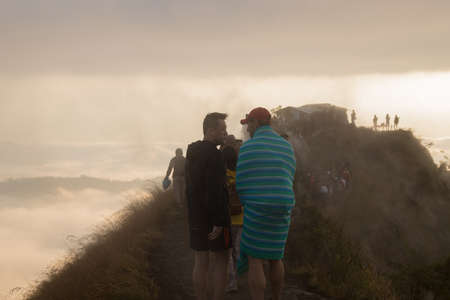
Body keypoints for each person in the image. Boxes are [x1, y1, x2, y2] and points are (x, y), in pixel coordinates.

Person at [236, 107, 296, 300]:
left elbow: (241, 184)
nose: (247, 130)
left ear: (256, 123)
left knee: (255, 260)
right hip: (283, 206)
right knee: (276, 257)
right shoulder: (286, 146)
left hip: (258, 207)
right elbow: (289, 176)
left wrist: (248, 202)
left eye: (248, 125)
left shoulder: (247, 148)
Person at [185, 112, 232, 300]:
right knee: (222, 260)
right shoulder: (215, 155)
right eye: (223, 130)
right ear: (211, 131)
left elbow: (192, 188)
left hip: (196, 216)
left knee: (200, 261)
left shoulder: (192, 152)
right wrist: (219, 221)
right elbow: (215, 190)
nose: (226, 134)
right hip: (215, 219)